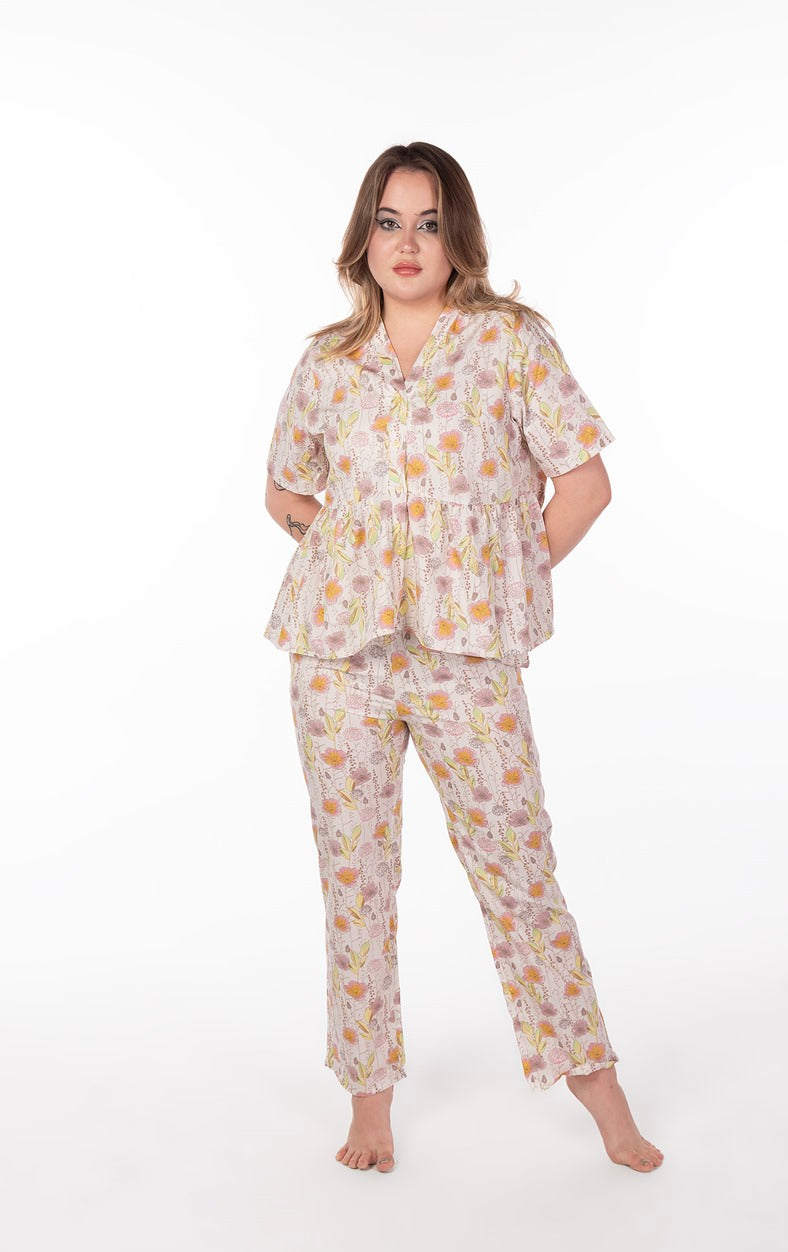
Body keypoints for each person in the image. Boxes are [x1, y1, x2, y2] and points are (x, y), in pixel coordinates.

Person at [263, 142, 664, 1176]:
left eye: (429, 223)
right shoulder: (327, 362)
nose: (407, 243)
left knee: (519, 871)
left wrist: (500, 574)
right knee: (355, 881)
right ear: (363, 237)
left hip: (466, 659)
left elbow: (584, 486)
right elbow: (285, 491)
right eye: (389, 221)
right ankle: (369, 1104)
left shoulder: (508, 343)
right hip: (338, 658)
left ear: (458, 239)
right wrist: (336, 546)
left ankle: (600, 1090)